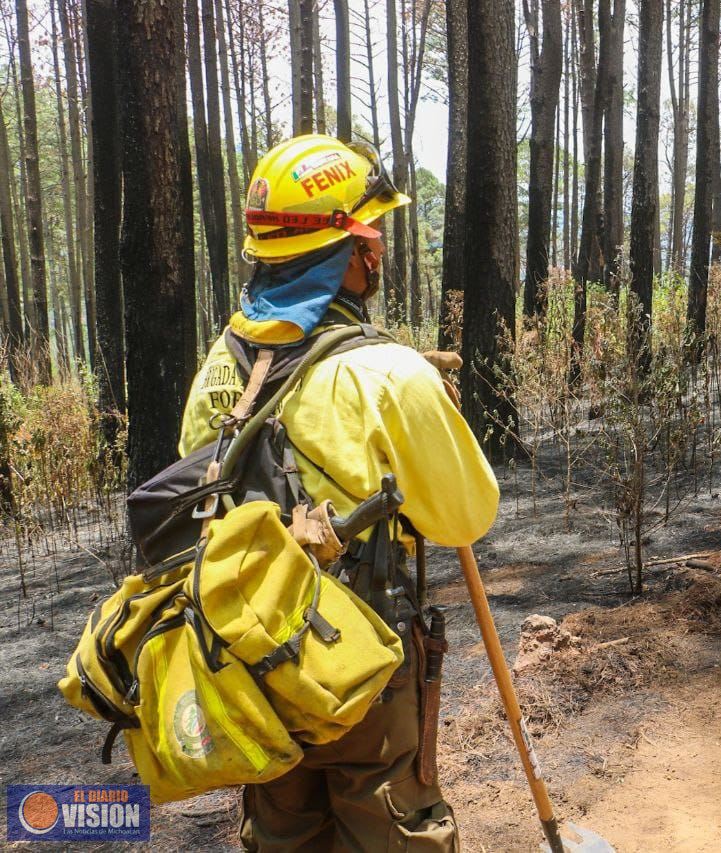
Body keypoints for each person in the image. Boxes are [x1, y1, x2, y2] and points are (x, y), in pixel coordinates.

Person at [178, 134, 500, 852]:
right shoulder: (389, 373)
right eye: (373, 229)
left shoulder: (217, 372)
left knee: (284, 837)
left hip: (254, 670)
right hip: (369, 668)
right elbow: (467, 513)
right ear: (355, 250)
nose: (379, 246)